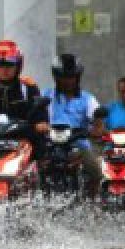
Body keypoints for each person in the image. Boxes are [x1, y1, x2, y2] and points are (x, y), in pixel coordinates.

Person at [41, 53, 100, 191]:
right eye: (63, 77)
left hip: (78, 145)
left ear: (77, 77)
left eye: (71, 77)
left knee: (95, 171)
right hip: (49, 146)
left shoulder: (88, 99)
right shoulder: (45, 95)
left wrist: (96, 129)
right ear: (56, 77)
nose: (68, 81)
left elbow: (98, 120)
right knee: (28, 169)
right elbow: (35, 116)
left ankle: (92, 204)